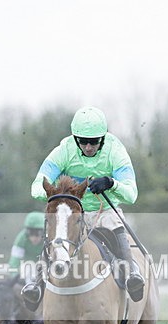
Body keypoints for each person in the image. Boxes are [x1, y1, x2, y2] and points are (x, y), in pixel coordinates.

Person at [21, 106, 144, 309]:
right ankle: (36, 283)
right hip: (72, 212)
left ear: (103, 138)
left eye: (94, 141)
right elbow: (37, 185)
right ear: (75, 138)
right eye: (83, 141)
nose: (88, 147)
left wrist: (111, 183)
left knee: (115, 222)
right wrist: (55, 195)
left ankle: (132, 273)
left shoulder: (116, 150)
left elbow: (131, 194)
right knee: (56, 233)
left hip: (104, 211)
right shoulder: (64, 150)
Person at [6, 212, 45, 280]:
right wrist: (14, 276)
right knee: (28, 269)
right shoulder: (21, 238)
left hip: (46, 266)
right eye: (31, 232)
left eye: (38, 233)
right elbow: (14, 260)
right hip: (29, 267)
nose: (34, 238)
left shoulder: (49, 238)